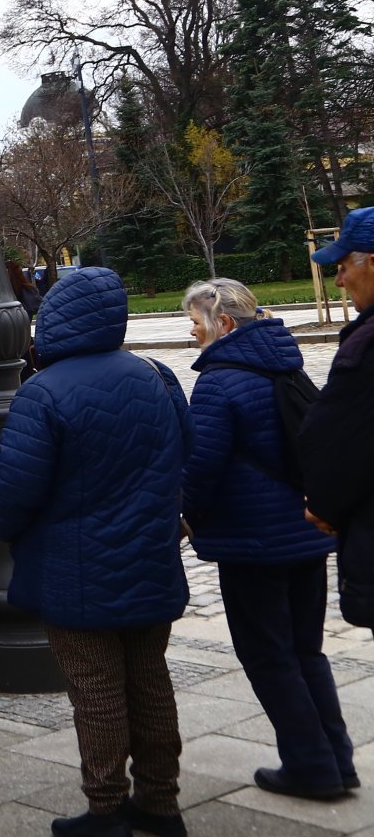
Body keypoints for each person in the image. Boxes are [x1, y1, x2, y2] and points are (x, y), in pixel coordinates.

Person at [0, 267, 191, 837]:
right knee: (150, 681)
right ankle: (160, 802)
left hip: (76, 571)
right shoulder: (156, 374)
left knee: (96, 692)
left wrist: (4, 528)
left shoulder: (43, 392)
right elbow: (188, 454)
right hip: (150, 558)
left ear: (52, 320)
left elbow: (11, 496)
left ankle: (106, 809)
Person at [181, 278, 355, 800]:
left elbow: (201, 469)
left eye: (194, 321)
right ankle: (337, 761)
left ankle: (311, 768)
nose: (190, 332)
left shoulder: (218, 381)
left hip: (252, 543)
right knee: (307, 652)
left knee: (268, 655)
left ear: (223, 324)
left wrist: (183, 517)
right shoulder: (287, 364)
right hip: (304, 530)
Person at [301, 210, 374, 635]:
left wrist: (325, 506)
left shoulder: (365, 347)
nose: (340, 281)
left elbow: (342, 441)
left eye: (345, 267)